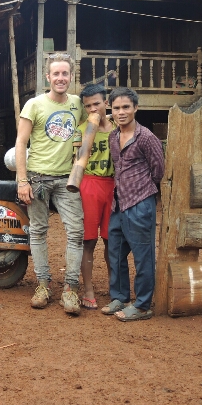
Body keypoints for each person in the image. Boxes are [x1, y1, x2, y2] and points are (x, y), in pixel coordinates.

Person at [15, 53, 87, 315]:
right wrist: (22, 180)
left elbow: (93, 122)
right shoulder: (34, 105)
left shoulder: (77, 104)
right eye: (56, 73)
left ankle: (71, 288)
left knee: (76, 232)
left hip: (68, 180)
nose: (60, 78)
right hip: (37, 177)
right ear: (48, 77)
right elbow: (21, 143)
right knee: (38, 231)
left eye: (65, 73)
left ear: (71, 76)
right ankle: (43, 284)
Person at [101, 87, 164, 322]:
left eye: (126, 107)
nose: (121, 112)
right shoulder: (113, 137)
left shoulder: (146, 137)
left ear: (136, 108)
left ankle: (143, 305)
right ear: (111, 109)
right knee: (115, 253)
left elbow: (158, 170)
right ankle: (120, 297)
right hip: (119, 203)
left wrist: (141, 188)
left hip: (140, 203)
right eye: (117, 108)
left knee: (142, 256)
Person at [76, 83, 115, 310]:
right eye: (88, 106)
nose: (93, 109)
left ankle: (114, 287)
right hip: (89, 184)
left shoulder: (118, 129)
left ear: (106, 103)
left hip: (114, 186)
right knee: (88, 240)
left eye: (97, 104)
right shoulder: (80, 130)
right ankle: (88, 289)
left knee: (112, 240)